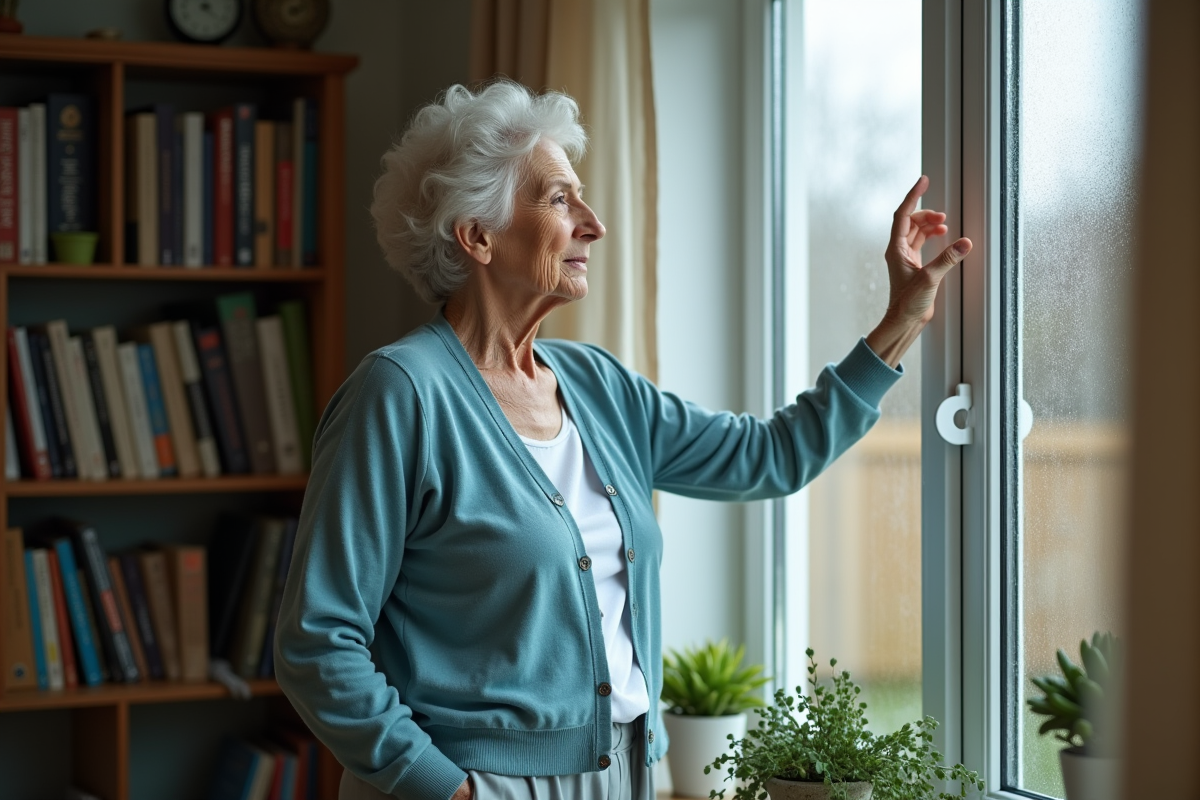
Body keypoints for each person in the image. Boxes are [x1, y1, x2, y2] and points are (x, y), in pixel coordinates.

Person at [273, 80, 971, 800]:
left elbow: (770, 456)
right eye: (558, 199)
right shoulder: (400, 394)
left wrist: (902, 320)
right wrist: (446, 788)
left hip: (624, 773)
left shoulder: (596, 384)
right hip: (474, 784)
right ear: (477, 235)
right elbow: (317, 643)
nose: (594, 223)